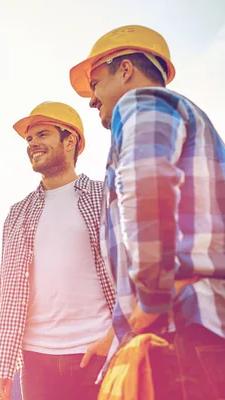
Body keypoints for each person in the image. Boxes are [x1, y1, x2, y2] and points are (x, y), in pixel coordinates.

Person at [70, 24, 225, 398]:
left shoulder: (141, 104)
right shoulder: (189, 120)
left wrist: (152, 301)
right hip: (198, 329)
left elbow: (149, 188)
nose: (92, 100)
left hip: (179, 331)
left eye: (95, 84)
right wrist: (117, 334)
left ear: (125, 70)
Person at [0, 102, 116, 400]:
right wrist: (1, 364)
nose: (32, 143)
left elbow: (135, 270)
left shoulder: (107, 196)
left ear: (69, 140)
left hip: (99, 353)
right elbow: (4, 295)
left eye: (42, 134)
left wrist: (114, 337)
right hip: (37, 362)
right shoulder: (17, 213)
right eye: (29, 139)